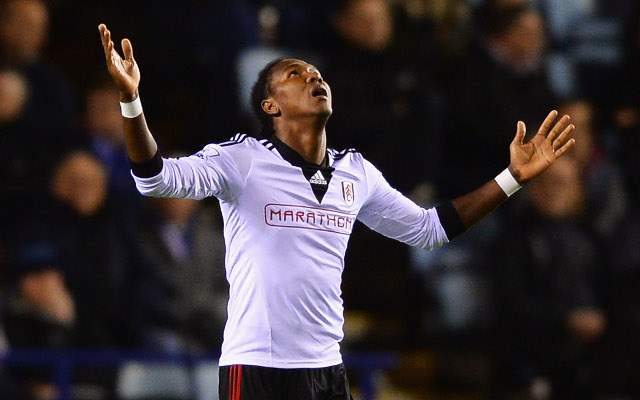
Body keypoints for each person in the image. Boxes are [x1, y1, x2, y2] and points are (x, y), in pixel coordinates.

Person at [98, 23, 575, 400]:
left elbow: (430, 229)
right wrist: (131, 101)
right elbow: (154, 178)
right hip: (258, 367)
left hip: (327, 370)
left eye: (317, 74)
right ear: (270, 104)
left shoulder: (357, 173)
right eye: (295, 75)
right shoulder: (241, 160)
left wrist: (510, 178)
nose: (313, 78)